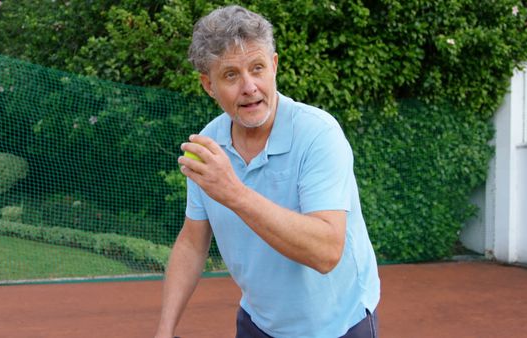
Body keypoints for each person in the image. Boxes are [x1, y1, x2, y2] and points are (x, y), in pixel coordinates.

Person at [155, 5, 380, 338]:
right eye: (231, 75)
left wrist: (234, 193)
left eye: (257, 68)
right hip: (259, 323)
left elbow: (326, 252)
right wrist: (165, 330)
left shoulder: (319, 134)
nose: (249, 86)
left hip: (337, 325)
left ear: (274, 66)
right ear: (208, 85)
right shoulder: (210, 147)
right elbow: (192, 242)